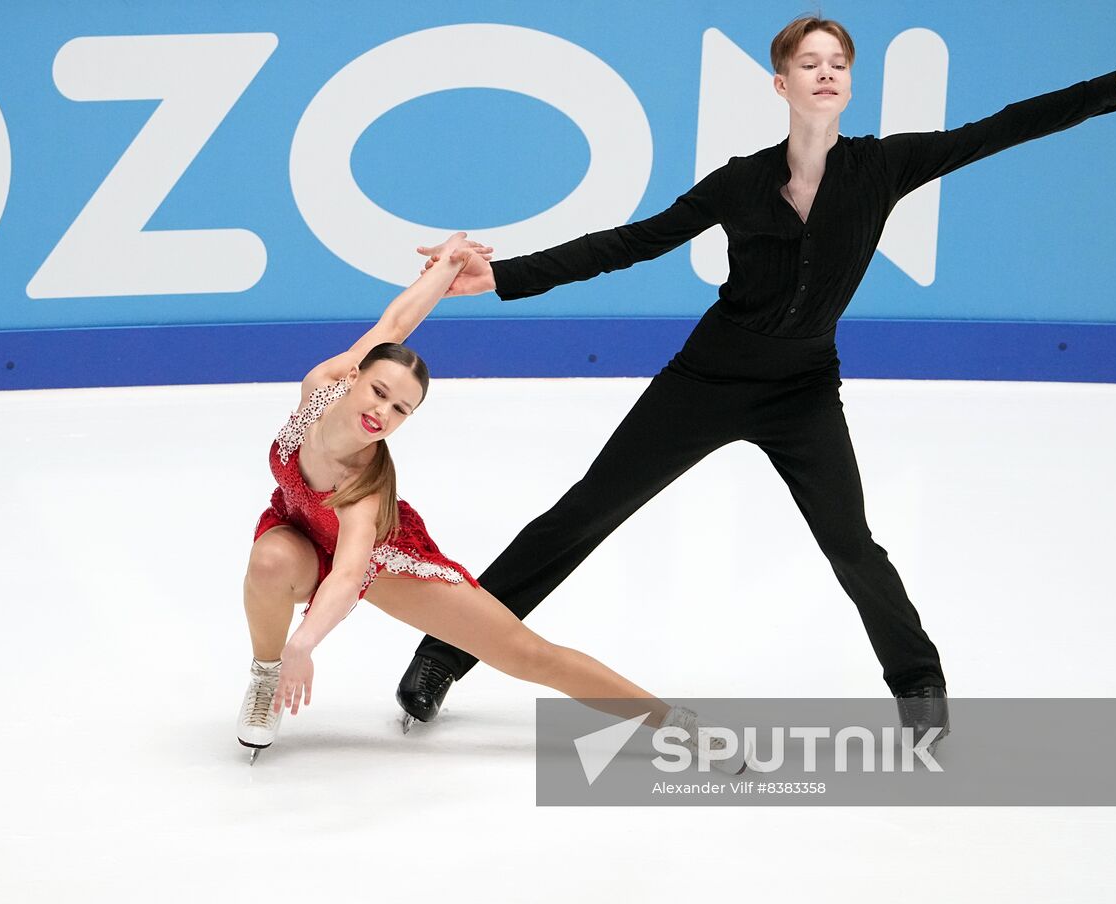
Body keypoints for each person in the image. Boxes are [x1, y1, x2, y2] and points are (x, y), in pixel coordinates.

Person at [397, 15, 1116, 748]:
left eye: (838, 63)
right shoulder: (740, 182)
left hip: (802, 386)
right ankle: (444, 653)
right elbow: (630, 243)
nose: (826, 72)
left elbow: (995, 132)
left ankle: (918, 684)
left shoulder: (882, 166)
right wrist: (501, 279)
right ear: (782, 84)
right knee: (580, 517)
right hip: (707, 377)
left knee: (850, 542)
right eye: (809, 63)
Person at [236, 230, 748, 771]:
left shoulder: (366, 486)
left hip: (383, 562)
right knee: (269, 560)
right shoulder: (324, 384)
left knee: (527, 654)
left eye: (401, 410)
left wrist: (305, 642)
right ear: (356, 375)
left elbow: (346, 578)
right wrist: (447, 264)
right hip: (297, 531)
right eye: (379, 392)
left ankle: (674, 723)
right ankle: (265, 681)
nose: (382, 413)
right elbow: (395, 325)